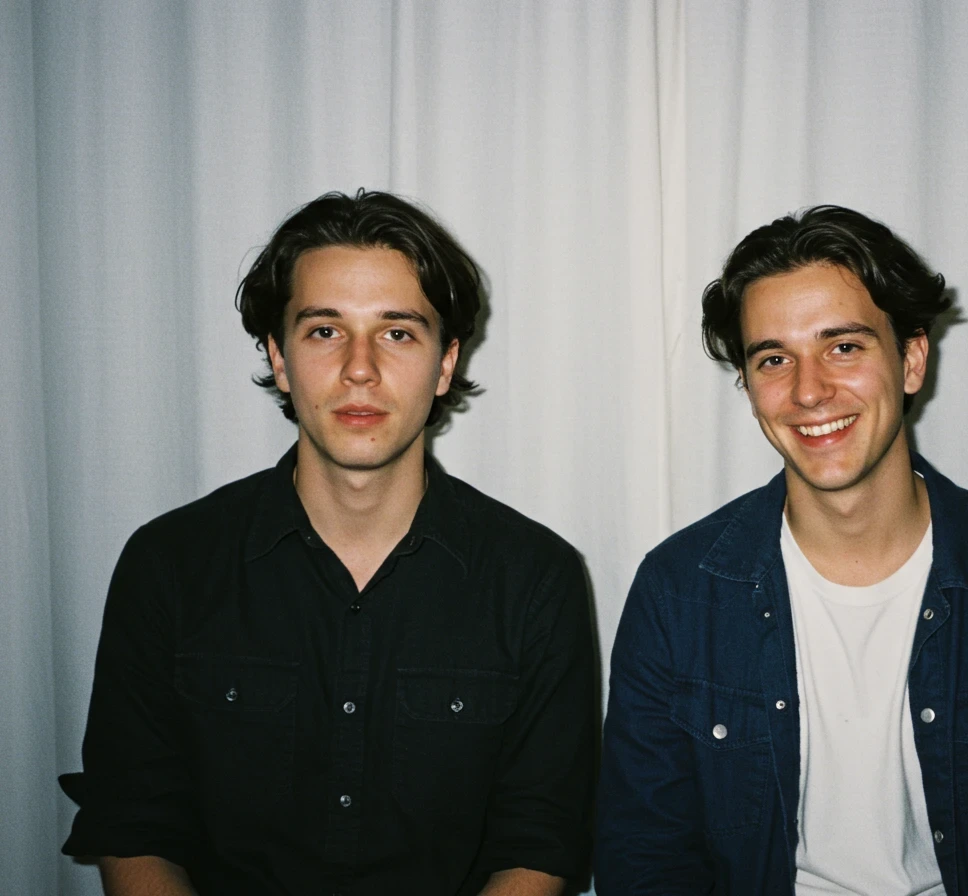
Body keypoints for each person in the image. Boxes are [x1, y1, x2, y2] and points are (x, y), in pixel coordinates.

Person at [595, 206, 968, 895]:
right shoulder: (678, 591)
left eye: (844, 347)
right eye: (774, 359)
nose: (809, 391)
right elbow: (643, 860)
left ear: (911, 360)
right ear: (749, 387)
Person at [60, 190, 595, 896]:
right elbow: (134, 826)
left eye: (397, 332)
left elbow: (541, 842)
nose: (360, 368)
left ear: (445, 363)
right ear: (279, 358)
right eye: (324, 331)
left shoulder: (536, 578)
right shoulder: (169, 565)